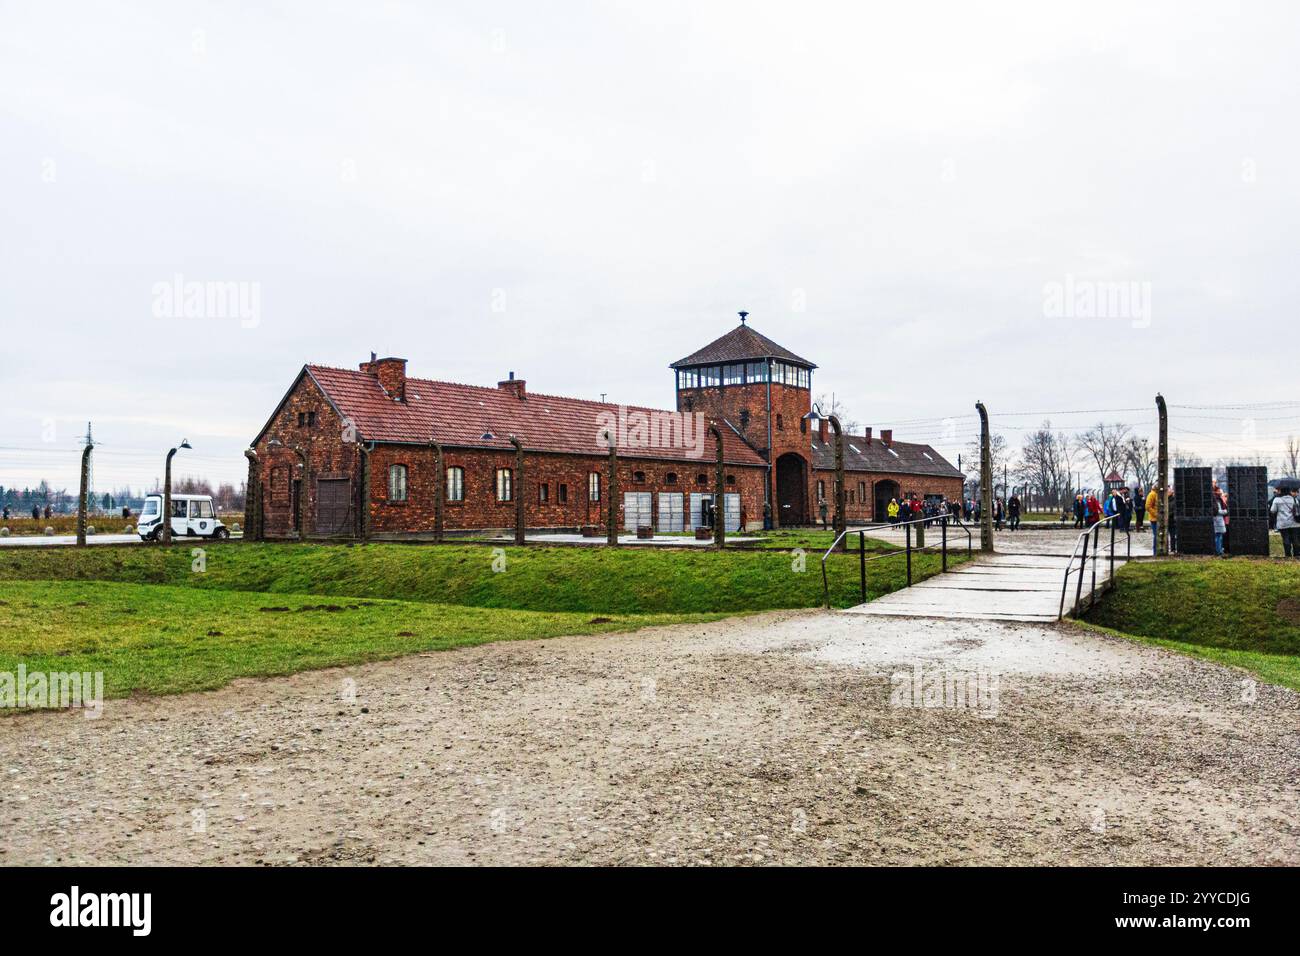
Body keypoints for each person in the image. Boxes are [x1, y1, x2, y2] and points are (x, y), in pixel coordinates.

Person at [1270, 485, 1299, 558]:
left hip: (1283, 523)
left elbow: (1273, 510)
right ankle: (1297, 554)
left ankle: (1288, 555)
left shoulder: (1277, 499)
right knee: (1295, 538)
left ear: (1281, 491)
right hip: (1294, 522)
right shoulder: (1294, 499)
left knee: (1286, 538)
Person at [1145, 485, 1160, 555]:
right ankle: (1155, 551)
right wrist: (1156, 514)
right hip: (1154, 519)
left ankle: (1157, 551)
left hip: (1156, 518)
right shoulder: (1152, 494)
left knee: (1157, 535)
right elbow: (1148, 506)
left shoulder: (1156, 494)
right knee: (1156, 535)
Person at [1212, 491, 1227, 556]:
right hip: (1218, 521)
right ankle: (1219, 550)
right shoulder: (1217, 502)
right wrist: (1225, 511)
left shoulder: (1214, 501)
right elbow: (1217, 511)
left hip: (1216, 521)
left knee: (1218, 536)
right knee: (1218, 536)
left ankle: (1219, 550)